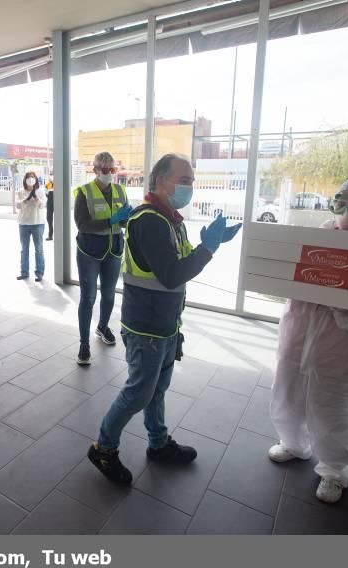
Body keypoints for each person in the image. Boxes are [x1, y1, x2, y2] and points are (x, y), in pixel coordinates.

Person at [87, 154, 241, 484]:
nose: (189, 187)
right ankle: (104, 447)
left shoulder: (169, 218)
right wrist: (209, 249)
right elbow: (172, 276)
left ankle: (158, 443)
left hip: (165, 323)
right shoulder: (150, 221)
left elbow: (177, 264)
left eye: (191, 181)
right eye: (183, 180)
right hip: (146, 327)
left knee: (157, 390)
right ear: (160, 181)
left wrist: (205, 244)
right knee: (139, 392)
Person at [269, 178, 348, 504]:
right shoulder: (315, 237)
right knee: (289, 391)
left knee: (334, 409)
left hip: (342, 348)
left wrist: (346, 308)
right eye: (341, 201)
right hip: (299, 333)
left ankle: (335, 471)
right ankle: (294, 444)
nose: (346, 211)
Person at [73, 152, 133, 366]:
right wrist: (111, 221)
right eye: (105, 170)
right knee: (88, 298)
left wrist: (127, 218)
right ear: (96, 169)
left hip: (113, 250)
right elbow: (82, 224)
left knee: (109, 295)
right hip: (90, 252)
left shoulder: (120, 190)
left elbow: (123, 222)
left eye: (112, 170)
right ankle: (83, 343)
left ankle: (103, 326)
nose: (109, 173)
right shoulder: (84, 192)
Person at [16, 171, 47, 281]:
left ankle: (39, 273)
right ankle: (24, 272)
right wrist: (26, 199)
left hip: (38, 223)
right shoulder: (21, 192)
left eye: (32, 177)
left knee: (39, 249)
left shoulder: (40, 191)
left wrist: (37, 199)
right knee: (24, 249)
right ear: (25, 179)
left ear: (36, 179)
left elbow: (43, 205)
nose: (30, 179)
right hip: (24, 223)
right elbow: (18, 206)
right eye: (28, 177)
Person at [46, 176, 55, 241]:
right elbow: (46, 193)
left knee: (58, 220)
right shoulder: (48, 185)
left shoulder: (60, 184)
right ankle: (50, 235)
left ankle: (59, 234)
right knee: (49, 219)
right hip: (49, 202)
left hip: (57, 202)